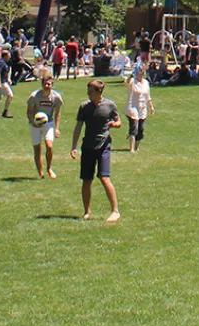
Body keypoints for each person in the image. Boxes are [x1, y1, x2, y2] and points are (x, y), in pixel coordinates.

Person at [70, 78, 122, 222]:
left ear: (99, 92)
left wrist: (114, 124)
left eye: (90, 91)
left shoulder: (110, 105)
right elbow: (78, 127)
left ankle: (115, 211)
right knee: (86, 180)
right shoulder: (84, 107)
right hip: (87, 147)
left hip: (104, 146)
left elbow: (119, 122)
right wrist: (74, 147)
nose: (88, 93)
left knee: (104, 178)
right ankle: (87, 212)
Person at [27, 68, 65, 179]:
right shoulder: (34, 96)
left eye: (49, 84)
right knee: (37, 149)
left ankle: (49, 168)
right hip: (35, 124)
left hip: (48, 123)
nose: (47, 86)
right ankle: (40, 173)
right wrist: (33, 121)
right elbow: (29, 111)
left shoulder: (56, 97)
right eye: (45, 84)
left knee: (49, 146)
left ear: (52, 84)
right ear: (42, 84)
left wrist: (57, 128)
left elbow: (57, 114)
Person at [126, 69, 154, 151]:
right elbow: (126, 82)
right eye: (138, 74)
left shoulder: (145, 83)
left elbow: (148, 96)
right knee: (134, 126)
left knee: (141, 128)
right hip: (133, 107)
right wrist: (131, 75)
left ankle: (137, 147)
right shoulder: (132, 81)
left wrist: (151, 107)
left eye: (141, 74)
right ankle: (131, 148)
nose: (139, 76)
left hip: (142, 108)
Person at [0, 47, 14, 118]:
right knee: (10, 95)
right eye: (9, 56)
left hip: (1, 82)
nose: (10, 57)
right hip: (1, 82)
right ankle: (5, 111)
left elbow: (5, 72)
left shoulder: (3, 63)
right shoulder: (1, 63)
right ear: (5, 56)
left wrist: (8, 79)